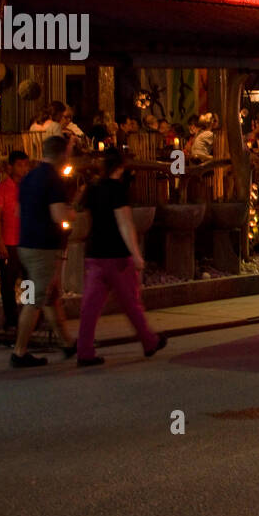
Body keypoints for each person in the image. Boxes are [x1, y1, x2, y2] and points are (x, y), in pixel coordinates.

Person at [74, 148, 166, 367]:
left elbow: (82, 212)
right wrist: (136, 254)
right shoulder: (117, 190)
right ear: (121, 167)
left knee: (90, 307)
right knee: (131, 303)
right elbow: (125, 223)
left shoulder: (93, 188)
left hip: (95, 254)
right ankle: (149, 340)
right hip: (117, 256)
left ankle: (84, 350)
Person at [11, 135, 76, 367]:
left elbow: (18, 211)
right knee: (36, 300)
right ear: (62, 154)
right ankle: (19, 351)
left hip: (25, 244)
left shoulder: (28, 178)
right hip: (42, 247)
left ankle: (67, 343)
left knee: (48, 296)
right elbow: (59, 216)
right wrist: (71, 213)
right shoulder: (53, 180)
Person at [0, 150, 30, 333]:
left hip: (26, 241)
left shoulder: (28, 187)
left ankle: (30, 315)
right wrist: (0, 243)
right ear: (10, 167)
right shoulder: (2, 189)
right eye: (20, 165)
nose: (23, 169)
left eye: (25, 165)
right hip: (9, 242)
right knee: (8, 284)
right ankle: (12, 319)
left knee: (29, 280)